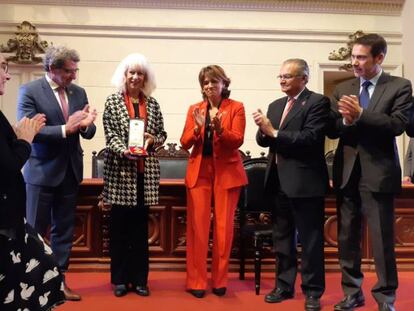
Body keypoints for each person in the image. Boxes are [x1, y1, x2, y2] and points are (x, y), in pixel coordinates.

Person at [328, 33, 412, 311]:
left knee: (382, 240)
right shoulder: (343, 88)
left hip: (379, 172)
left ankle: (386, 297)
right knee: (347, 237)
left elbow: (397, 124)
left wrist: (362, 115)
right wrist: (345, 119)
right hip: (347, 173)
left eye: (362, 57)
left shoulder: (399, 86)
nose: (355, 62)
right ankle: (352, 293)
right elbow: (332, 129)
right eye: (353, 57)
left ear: (379, 58)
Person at [16, 45, 97, 301]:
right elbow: (30, 130)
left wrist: (86, 126)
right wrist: (66, 128)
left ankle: (59, 282)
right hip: (40, 173)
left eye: (75, 70)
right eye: (69, 71)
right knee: (34, 232)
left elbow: (87, 131)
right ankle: (31, 285)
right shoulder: (29, 91)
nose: (74, 76)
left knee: (64, 230)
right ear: (52, 69)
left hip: (70, 173)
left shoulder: (78, 91)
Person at [253, 58, 329, 311]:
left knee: (310, 240)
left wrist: (273, 132)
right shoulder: (276, 105)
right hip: (278, 183)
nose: (282, 80)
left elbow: (310, 137)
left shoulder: (318, 102)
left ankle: (313, 292)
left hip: (306, 183)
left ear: (304, 78)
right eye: (281, 76)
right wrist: (263, 130)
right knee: (282, 239)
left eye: (288, 76)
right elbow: (266, 141)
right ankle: (284, 286)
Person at [0, 52, 65, 310]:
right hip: (5, 224)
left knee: (43, 268)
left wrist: (17, 137)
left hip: (11, 220)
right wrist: (24, 141)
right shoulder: (30, 91)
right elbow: (7, 166)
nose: (7, 74)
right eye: (3, 67)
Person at [102, 53, 167, 298]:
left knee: (140, 233)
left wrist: (154, 138)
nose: (136, 77)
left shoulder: (153, 104)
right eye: (132, 73)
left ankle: (140, 280)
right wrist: (125, 151)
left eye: (140, 73)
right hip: (121, 174)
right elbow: (111, 135)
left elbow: (161, 133)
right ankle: (120, 280)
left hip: (144, 176)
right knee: (119, 231)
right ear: (124, 75)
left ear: (145, 78)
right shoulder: (112, 102)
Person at [180, 65, 247, 298]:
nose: (209, 86)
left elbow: (237, 140)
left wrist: (220, 129)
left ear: (224, 84)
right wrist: (198, 129)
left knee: (223, 228)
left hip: (227, 173)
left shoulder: (236, 107)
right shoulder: (194, 109)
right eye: (205, 82)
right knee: (198, 229)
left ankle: (219, 280)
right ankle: (197, 281)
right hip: (200, 171)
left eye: (213, 82)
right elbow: (184, 142)